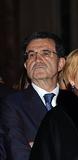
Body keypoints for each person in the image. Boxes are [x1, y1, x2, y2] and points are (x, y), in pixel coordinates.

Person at [0, 31, 66, 160]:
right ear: (25, 65)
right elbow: (17, 153)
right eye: (31, 55)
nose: (37, 59)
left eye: (45, 53)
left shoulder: (75, 102)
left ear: (61, 63)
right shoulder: (12, 104)